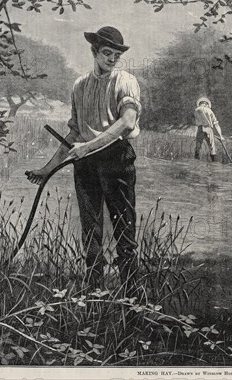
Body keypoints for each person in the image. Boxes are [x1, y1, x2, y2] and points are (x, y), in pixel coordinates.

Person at [26, 26, 141, 294]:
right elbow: (74, 132)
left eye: (116, 54)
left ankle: (133, 295)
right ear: (94, 52)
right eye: (106, 53)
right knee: (91, 232)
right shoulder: (80, 85)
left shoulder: (125, 81)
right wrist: (47, 169)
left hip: (116, 158)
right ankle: (93, 291)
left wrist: (88, 146)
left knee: (124, 231)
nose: (112, 59)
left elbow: (127, 122)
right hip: (86, 164)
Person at [193, 97, 224, 162]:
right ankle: (214, 163)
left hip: (200, 129)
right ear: (206, 104)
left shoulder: (196, 110)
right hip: (209, 129)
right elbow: (216, 124)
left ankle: (196, 161)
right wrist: (221, 136)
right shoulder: (209, 111)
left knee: (198, 146)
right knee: (212, 148)